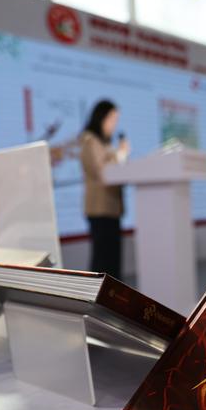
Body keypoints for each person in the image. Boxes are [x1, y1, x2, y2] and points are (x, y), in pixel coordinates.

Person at [79, 100, 129, 279]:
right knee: (102, 262)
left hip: (112, 209)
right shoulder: (90, 140)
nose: (114, 125)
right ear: (101, 117)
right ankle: (99, 295)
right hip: (100, 210)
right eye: (112, 119)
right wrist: (121, 154)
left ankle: (113, 294)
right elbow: (104, 173)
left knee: (113, 263)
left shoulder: (105, 144)